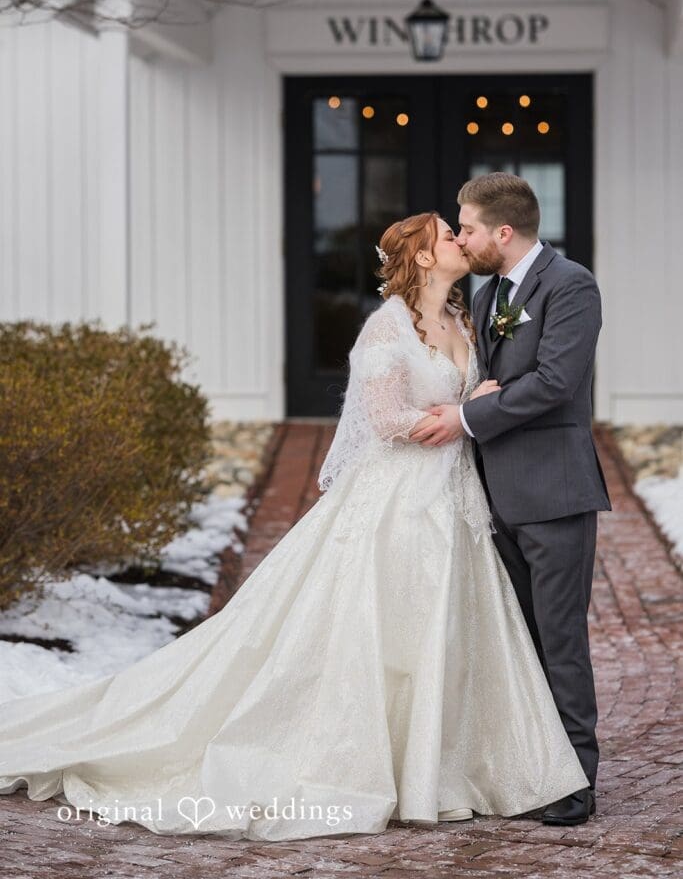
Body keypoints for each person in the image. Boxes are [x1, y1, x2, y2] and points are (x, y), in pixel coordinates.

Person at [0, 211, 590, 842]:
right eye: (448, 234)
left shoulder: (467, 317)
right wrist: (470, 406)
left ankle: (445, 765)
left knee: (450, 625)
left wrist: (476, 408)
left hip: (457, 501)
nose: (458, 239)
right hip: (397, 501)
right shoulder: (386, 326)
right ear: (420, 257)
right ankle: (371, 762)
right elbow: (386, 420)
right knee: (379, 628)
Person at [408, 176, 611, 826]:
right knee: (517, 642)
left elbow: (554, 382)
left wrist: (468, 417)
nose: (459, 238)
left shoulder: (570, 285)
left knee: (558, 639)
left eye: (465, 227)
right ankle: (530, 765)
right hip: (492, 493)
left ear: (502, 232)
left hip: (552, 491)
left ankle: (575, 778)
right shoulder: (489, 289)